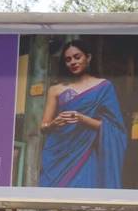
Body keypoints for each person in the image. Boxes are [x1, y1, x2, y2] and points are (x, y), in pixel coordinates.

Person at [38, 41, 128, 188]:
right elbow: (44, 127)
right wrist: (54, 124)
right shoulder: (55, 89)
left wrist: (81, 118)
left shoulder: (103, 87)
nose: (73, 62)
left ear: (88, 57)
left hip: (85, 153)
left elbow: (114, 128)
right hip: (58, 153)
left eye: (77, 57)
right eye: (68, 59)